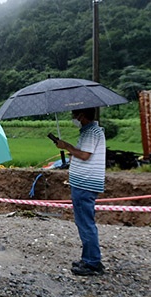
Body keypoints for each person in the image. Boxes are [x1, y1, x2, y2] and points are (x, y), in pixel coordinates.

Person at [54, 108, 106, 276]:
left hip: (85, 184)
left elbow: (84, 155)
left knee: (85, 223)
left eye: (75, 115)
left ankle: (92, 262)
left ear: (81, 116)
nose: (73, 118)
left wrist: (67, 146)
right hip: (83, 183)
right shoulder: (90, 132)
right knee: (83, 222)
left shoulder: (91, 132)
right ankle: (89, 258)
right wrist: (71, 151)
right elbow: (82, 154)